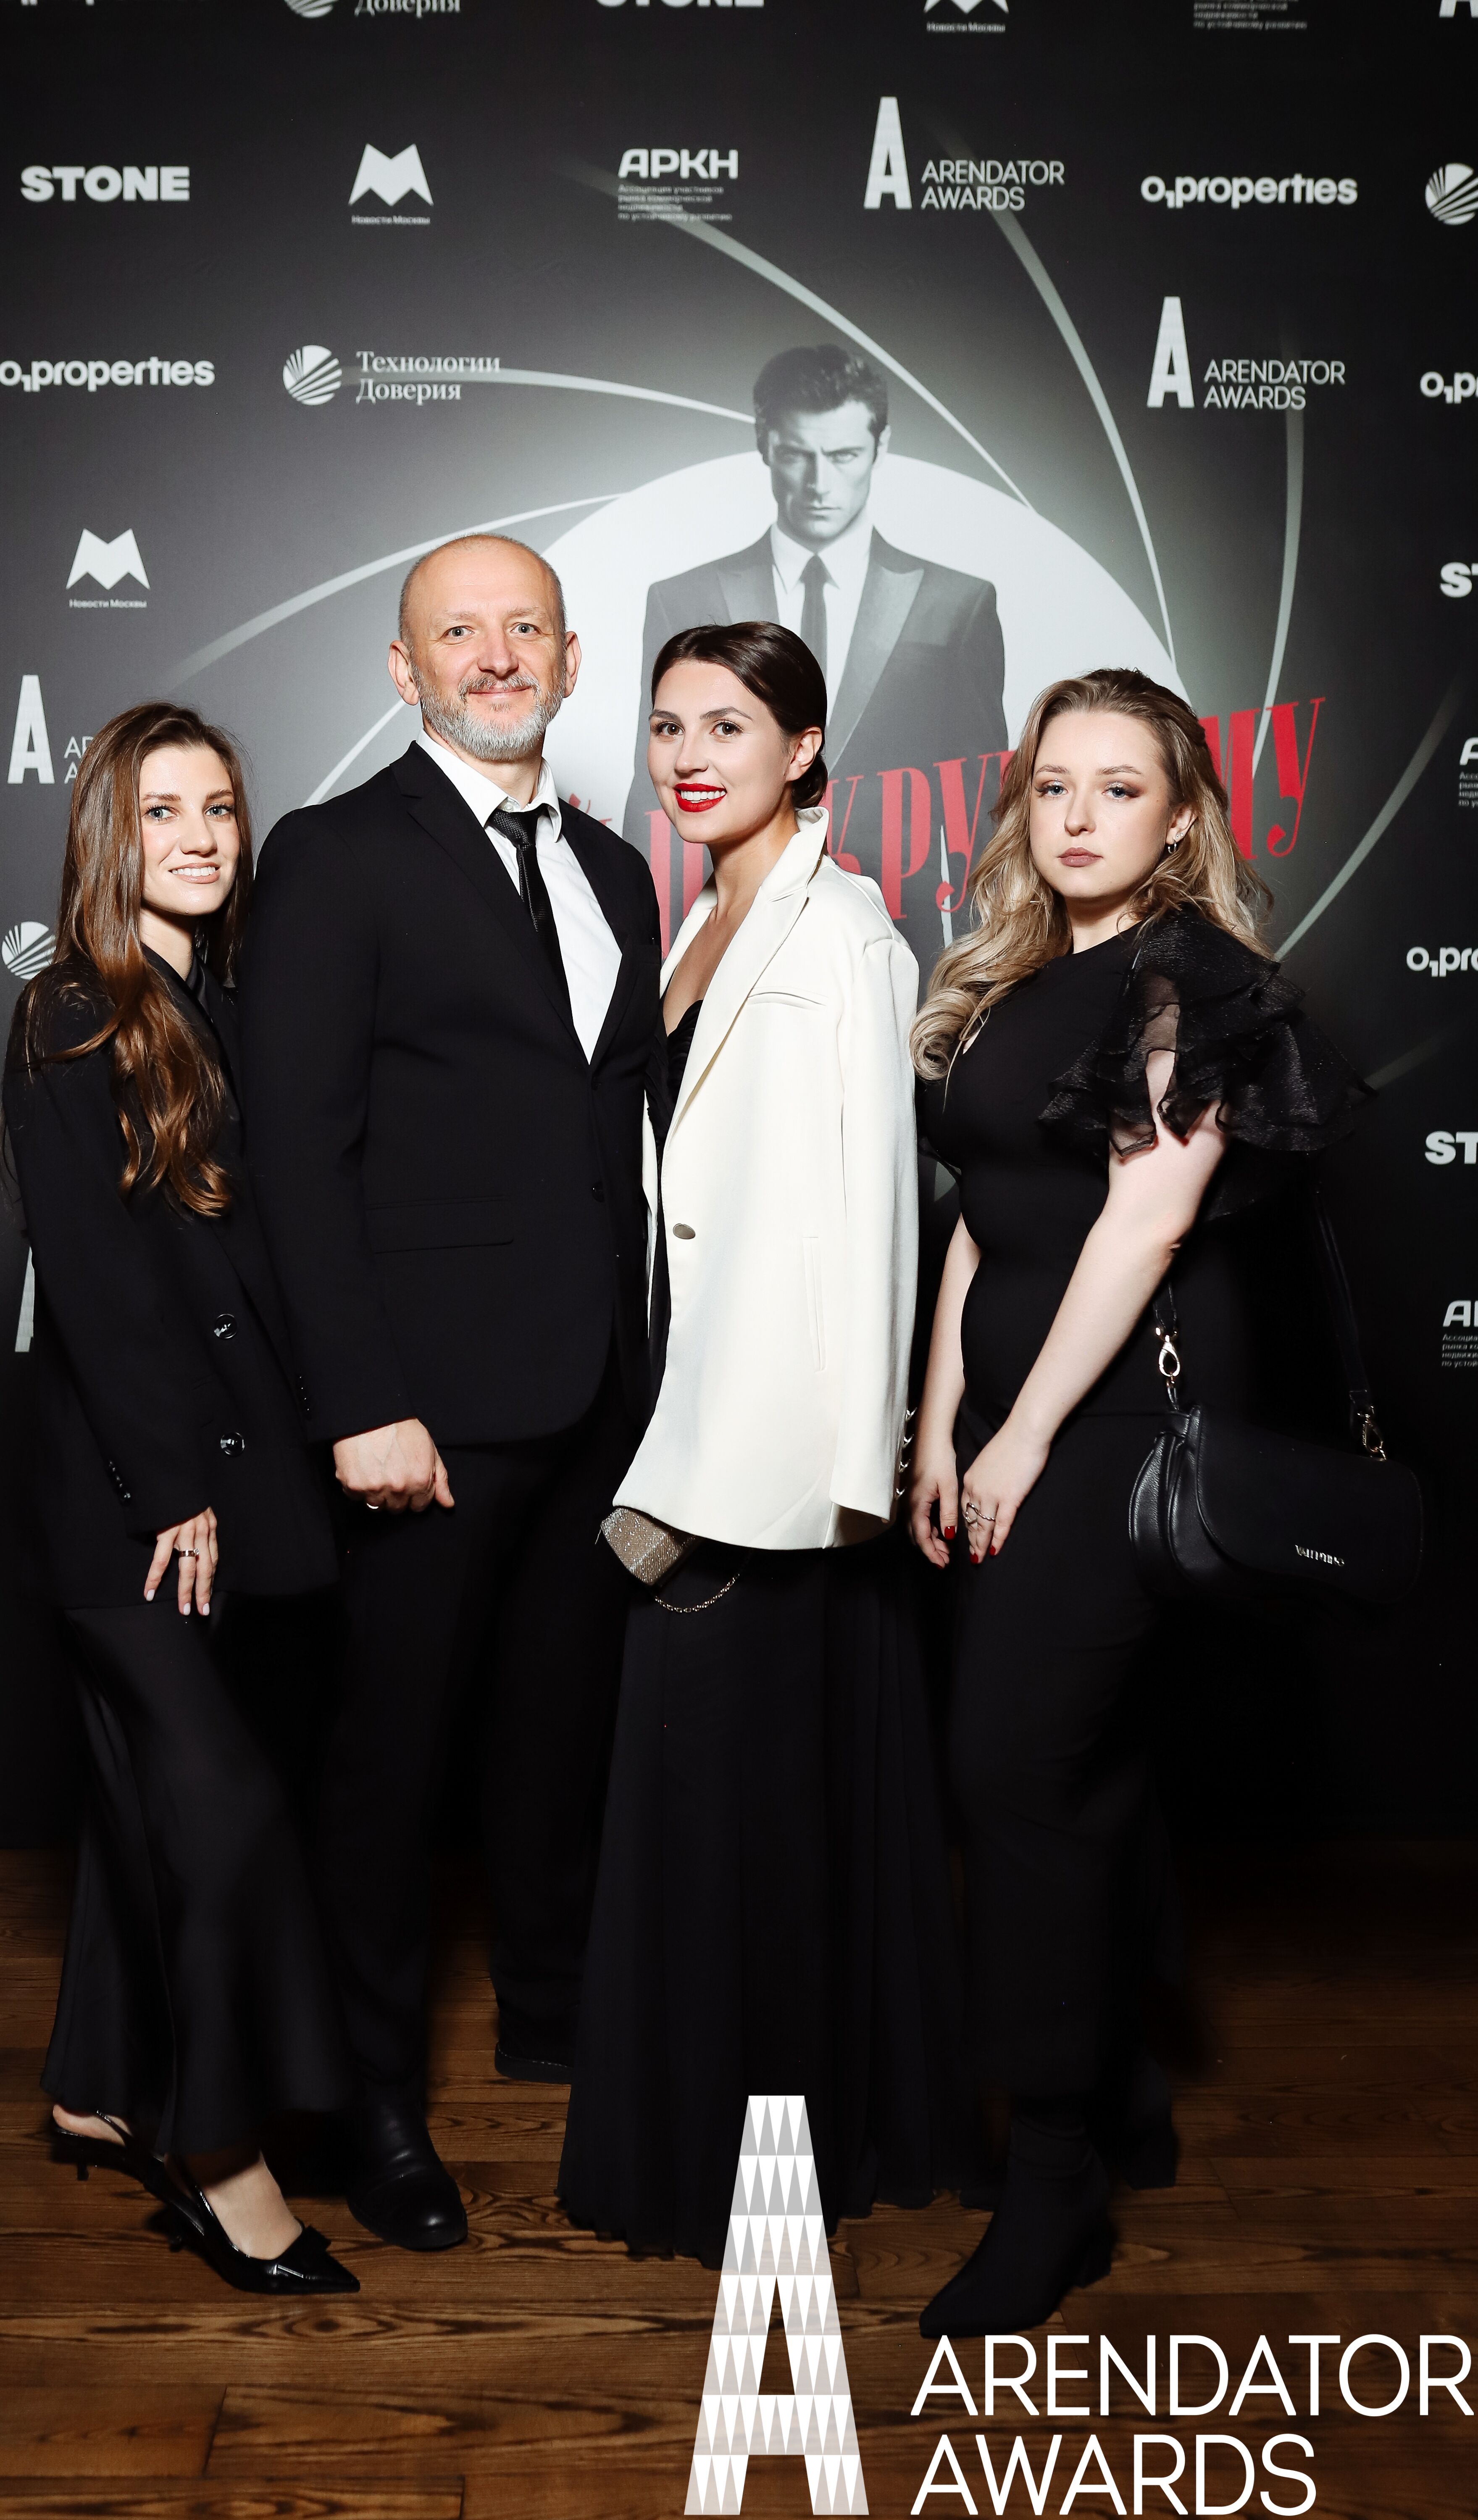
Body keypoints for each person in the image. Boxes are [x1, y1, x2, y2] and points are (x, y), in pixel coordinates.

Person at [907, 667, 1366, 2336]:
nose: (1078, 814)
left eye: (1119, 787)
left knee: (1015, 1769)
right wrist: (941, 1421)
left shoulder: (1192, 980)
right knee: (1078, 1776)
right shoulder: (1020, 975)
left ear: (1180, 817)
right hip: (1010, 1412)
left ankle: (1053, 2180)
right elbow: (980, 1212)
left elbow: (1143, 1221)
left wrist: (1025, 1434)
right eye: (1054, 785)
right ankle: (1118, 2093)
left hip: (1109, 1424)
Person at [241, 534, 661, 2252]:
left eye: (524, 628)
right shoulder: (334, 855)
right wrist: (359, 1397)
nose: (497, 656)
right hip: (421, 1405)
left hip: (594, 1392)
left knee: (557, 1730)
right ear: (401, 670)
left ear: (569, 658)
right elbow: (294, 1152)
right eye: (457, 632)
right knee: (390, 1761)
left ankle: (554, 2017)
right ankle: (368, 2103)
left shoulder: (618, 867)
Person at [560, 622, 975, 2265]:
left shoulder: (846, 933)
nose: (686, 755)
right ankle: (718, 2139)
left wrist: (846, 1476)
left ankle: (761, 2165)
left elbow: (876, 1213)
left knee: (755, 1815)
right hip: (685, 1411)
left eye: (726, 725)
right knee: (709, 1809)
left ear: (805, 749)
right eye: (666, 724)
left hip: (775, 1453)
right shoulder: (702, 913)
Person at [0, 701, 358, 2296]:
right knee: (221, 1811)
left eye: (219, 807)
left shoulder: (221, 996)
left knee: (149, 1793)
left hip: (234, 1472)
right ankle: (218, 2157)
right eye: (164, 811)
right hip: (132, 1500)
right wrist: (171, 1494)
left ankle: (95, 2080)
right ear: (109, 834)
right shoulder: (69, 1010)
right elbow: (97, 1282)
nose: (202, 836)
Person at [621, 344, 1006, 918]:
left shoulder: (957, 603)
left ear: (881, 447)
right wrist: (638, 930)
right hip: (730, 914)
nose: (819, 482)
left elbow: (982, 803)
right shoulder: (684, 599)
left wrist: (992, 951)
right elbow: (651, 788)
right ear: (764, 445)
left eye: (844, 455)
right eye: (797, 455)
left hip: (906, 922)